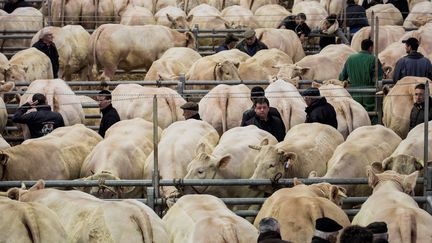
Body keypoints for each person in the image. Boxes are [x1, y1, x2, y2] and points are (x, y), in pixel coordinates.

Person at [339, 39, 383, 111]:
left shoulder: (350, 59)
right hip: (369, 95)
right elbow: (378, 79)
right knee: (371, 117)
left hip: (353, 95)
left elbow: (342, 77)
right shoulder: (373, 59)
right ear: (370, 48)